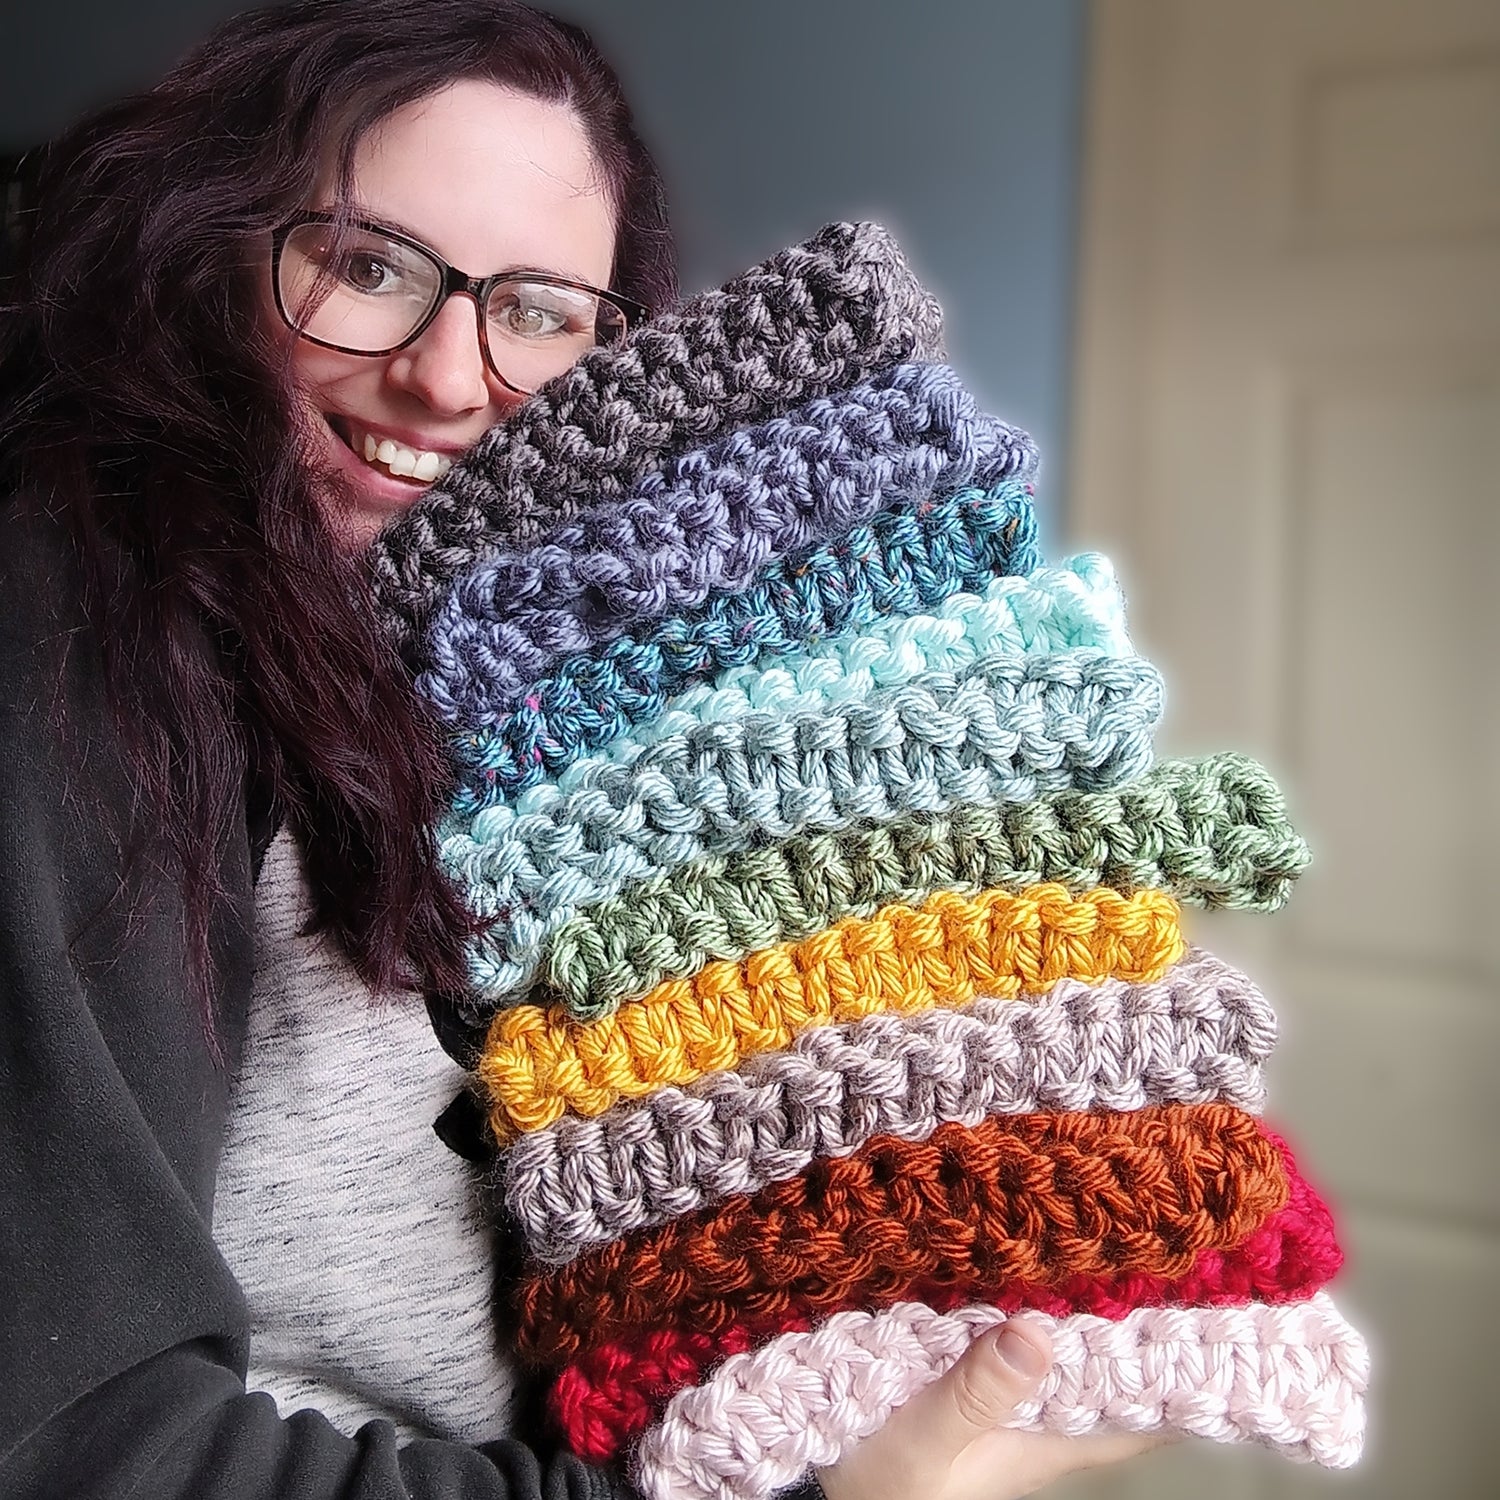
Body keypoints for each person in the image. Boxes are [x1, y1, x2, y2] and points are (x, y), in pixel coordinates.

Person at [0, 2, 1165, 1496]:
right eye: (367, 267)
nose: (446, 376)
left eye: (539, 310)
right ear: (216, 247)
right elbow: (81, 1447)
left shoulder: (504, 662)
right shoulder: (79, 635)